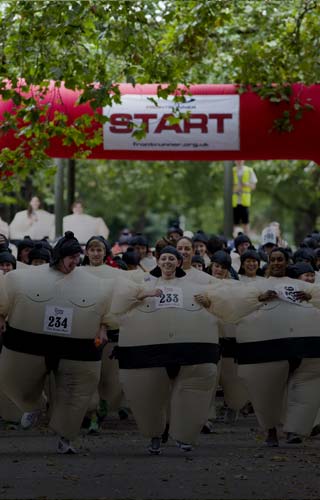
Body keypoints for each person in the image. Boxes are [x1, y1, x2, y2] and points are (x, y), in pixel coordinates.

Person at [0, 231, 114, 454]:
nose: (75, 261)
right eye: (70, 257)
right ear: (59, 256)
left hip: (74, 347)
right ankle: (32, 406)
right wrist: (1, 316)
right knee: (15, 381)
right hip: (32, 343)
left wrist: (104, 326)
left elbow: (107, 306)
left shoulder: (94, 284)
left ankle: (66, 437)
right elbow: (6, 292)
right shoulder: (24, 278)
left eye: (77, 257)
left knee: (76, 394)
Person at [111, 246, 221, 455]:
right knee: (150, 395)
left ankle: (184, 436)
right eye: (164, 258)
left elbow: (222, 298)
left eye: (172, 258)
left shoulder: (195, 285)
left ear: (179, 263)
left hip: (187, 349)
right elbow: (119, 303)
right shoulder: (143, 283)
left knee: (188, 393)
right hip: (151, 350)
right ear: (157, 262)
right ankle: (154, 435)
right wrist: (144, 293)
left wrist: (208, 302)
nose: (168, 262)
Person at [232, 160, 257, 235]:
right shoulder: (231, 171)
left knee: (245, 222)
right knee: (234, 222)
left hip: (244, 201)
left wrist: (246, 185)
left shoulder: (249, 170)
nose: (239, 161)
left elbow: (253, 186)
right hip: (234, 201)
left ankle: (246, 238)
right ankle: (233, 238)